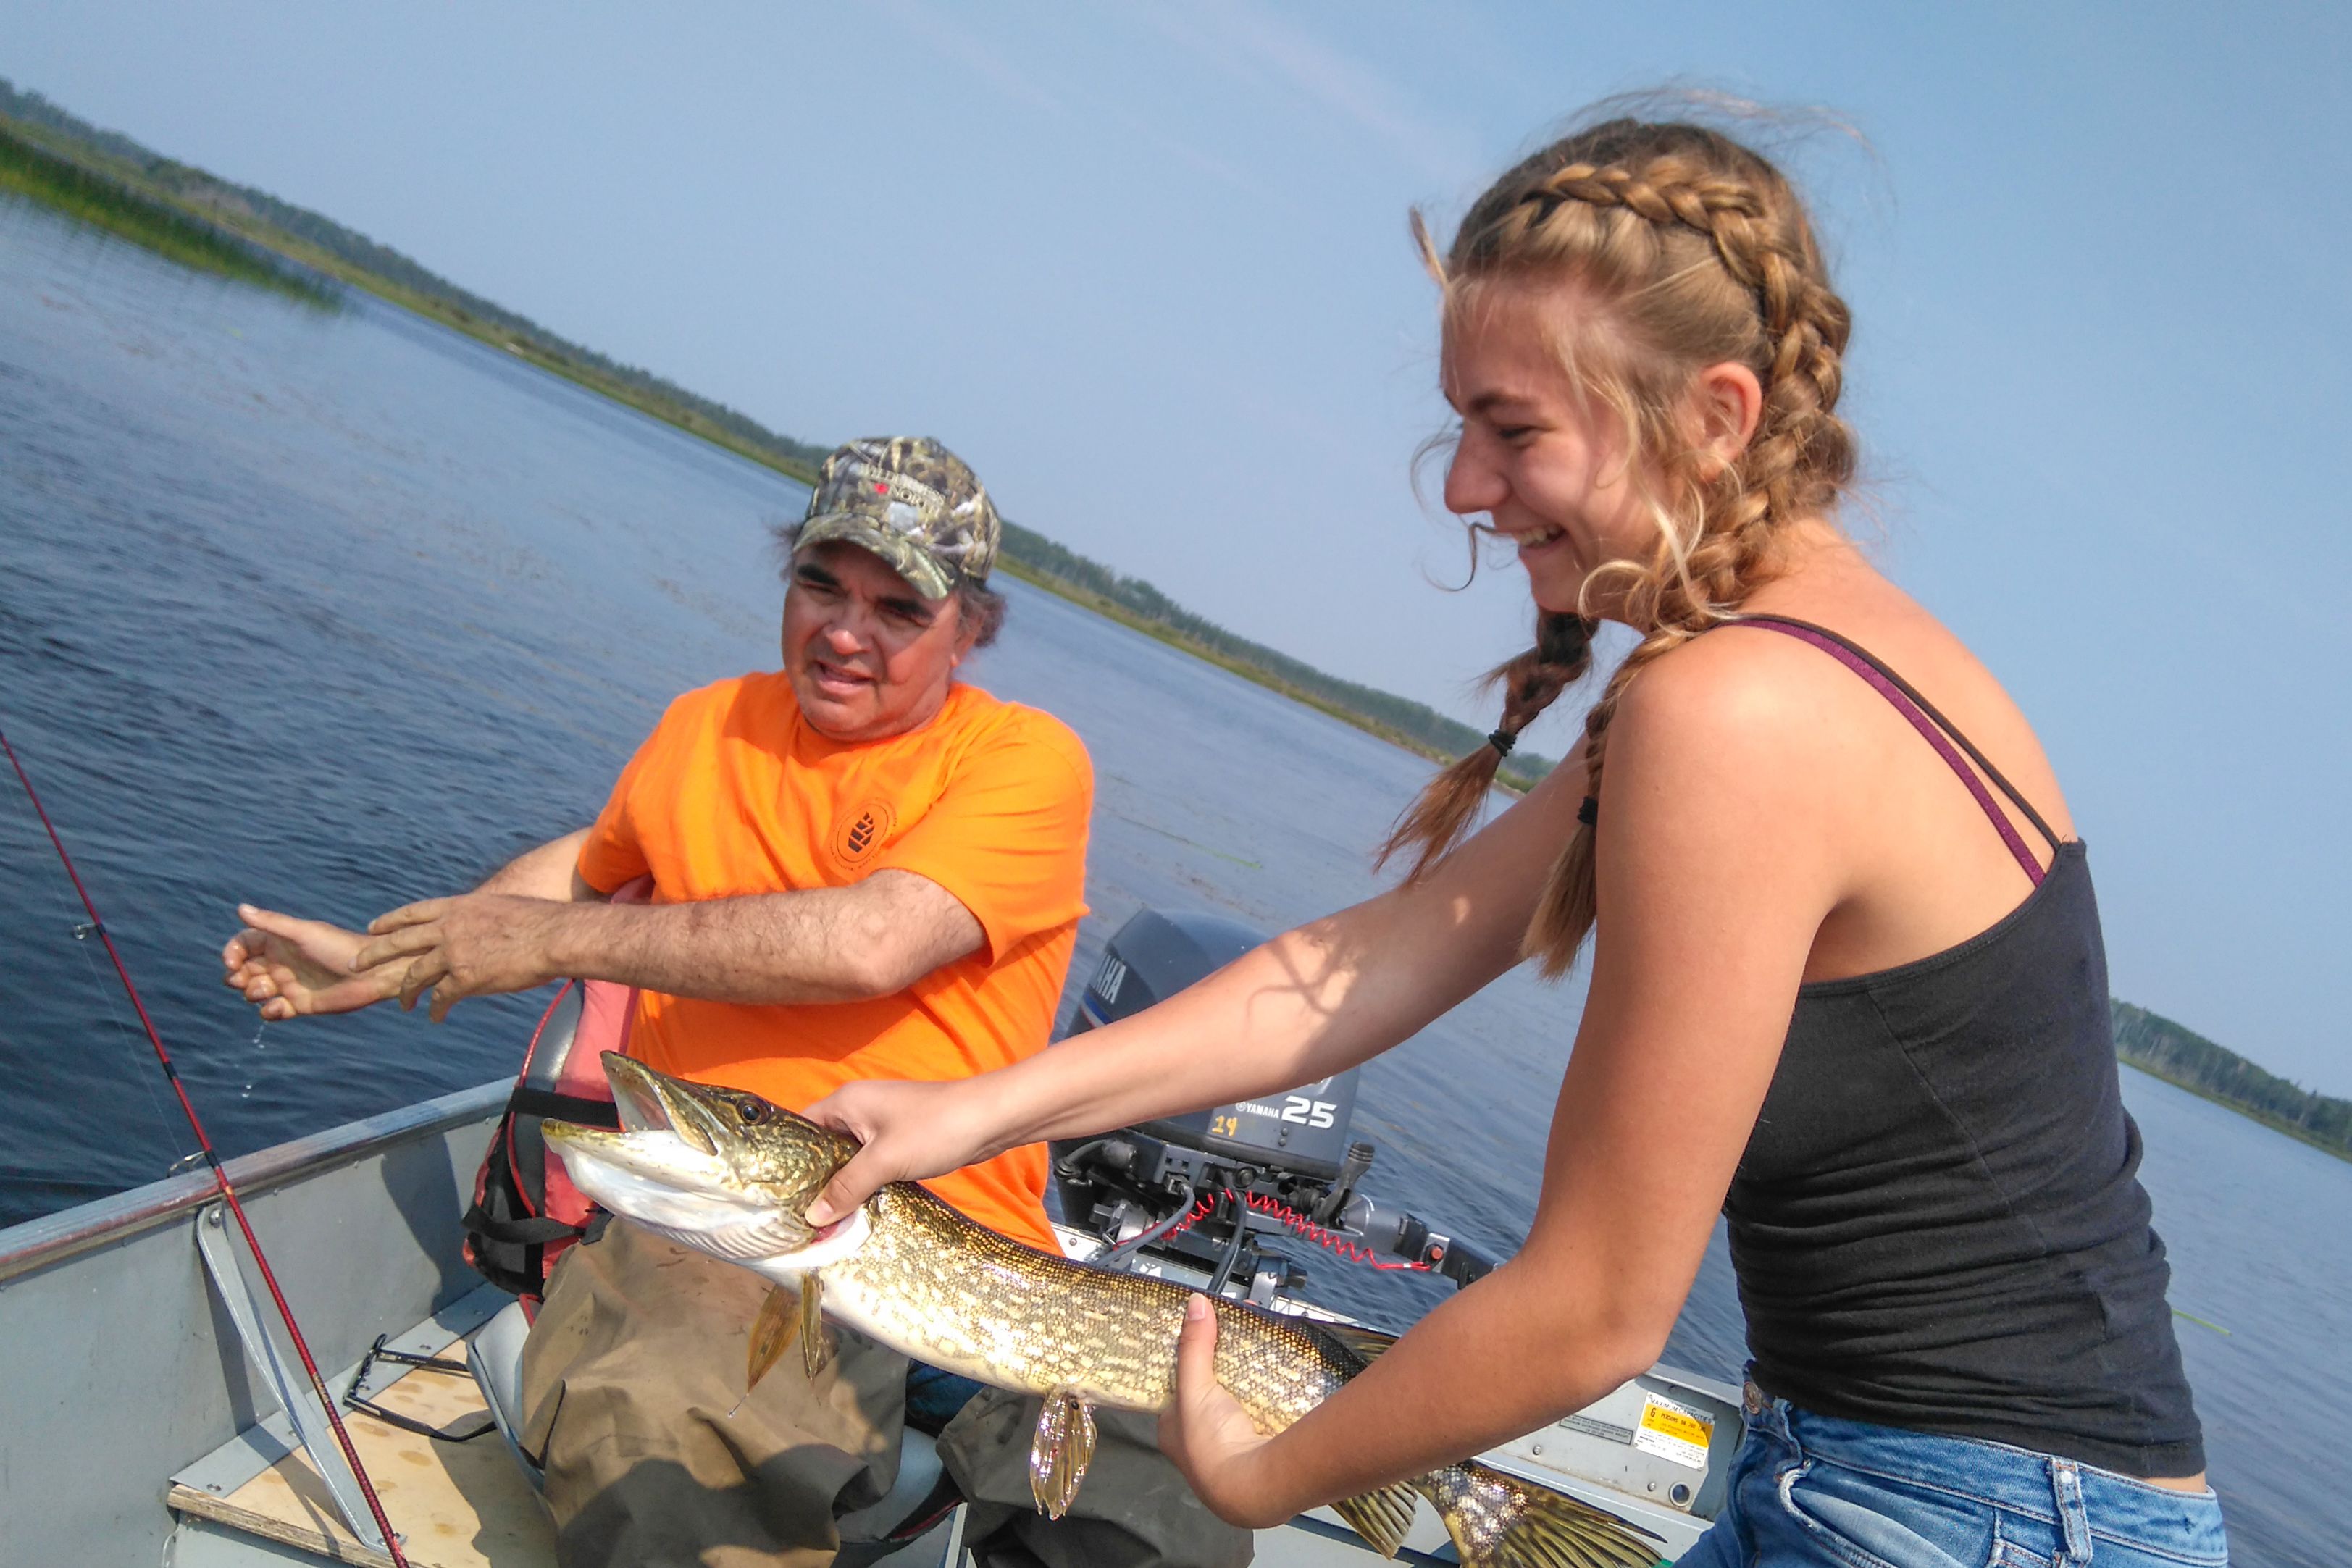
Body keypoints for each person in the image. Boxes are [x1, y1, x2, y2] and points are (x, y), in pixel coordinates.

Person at [798, 120, 2232, 1568]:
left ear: (1717, 416)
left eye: (1513, 429)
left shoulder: (1732, 710)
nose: (1463, 488)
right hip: (2000, 1501)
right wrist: (975, 1110)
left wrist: (1264, 1475)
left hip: (1950, 1520)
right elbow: (1373, 960)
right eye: (1461, 427)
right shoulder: (1842, 661)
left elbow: (1598, 1305)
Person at [220, 437, 1250, 1568]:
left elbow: (872, 939)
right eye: (821, 583)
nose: (845, 631)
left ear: (969, 628)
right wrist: (384, 961)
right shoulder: (702, 732)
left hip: (980, 1256)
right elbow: (584, 870)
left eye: (897, 605)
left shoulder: (1022, 762)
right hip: (722, 1228)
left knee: (1168, 1497)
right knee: (675, 1427)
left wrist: (548, 941)